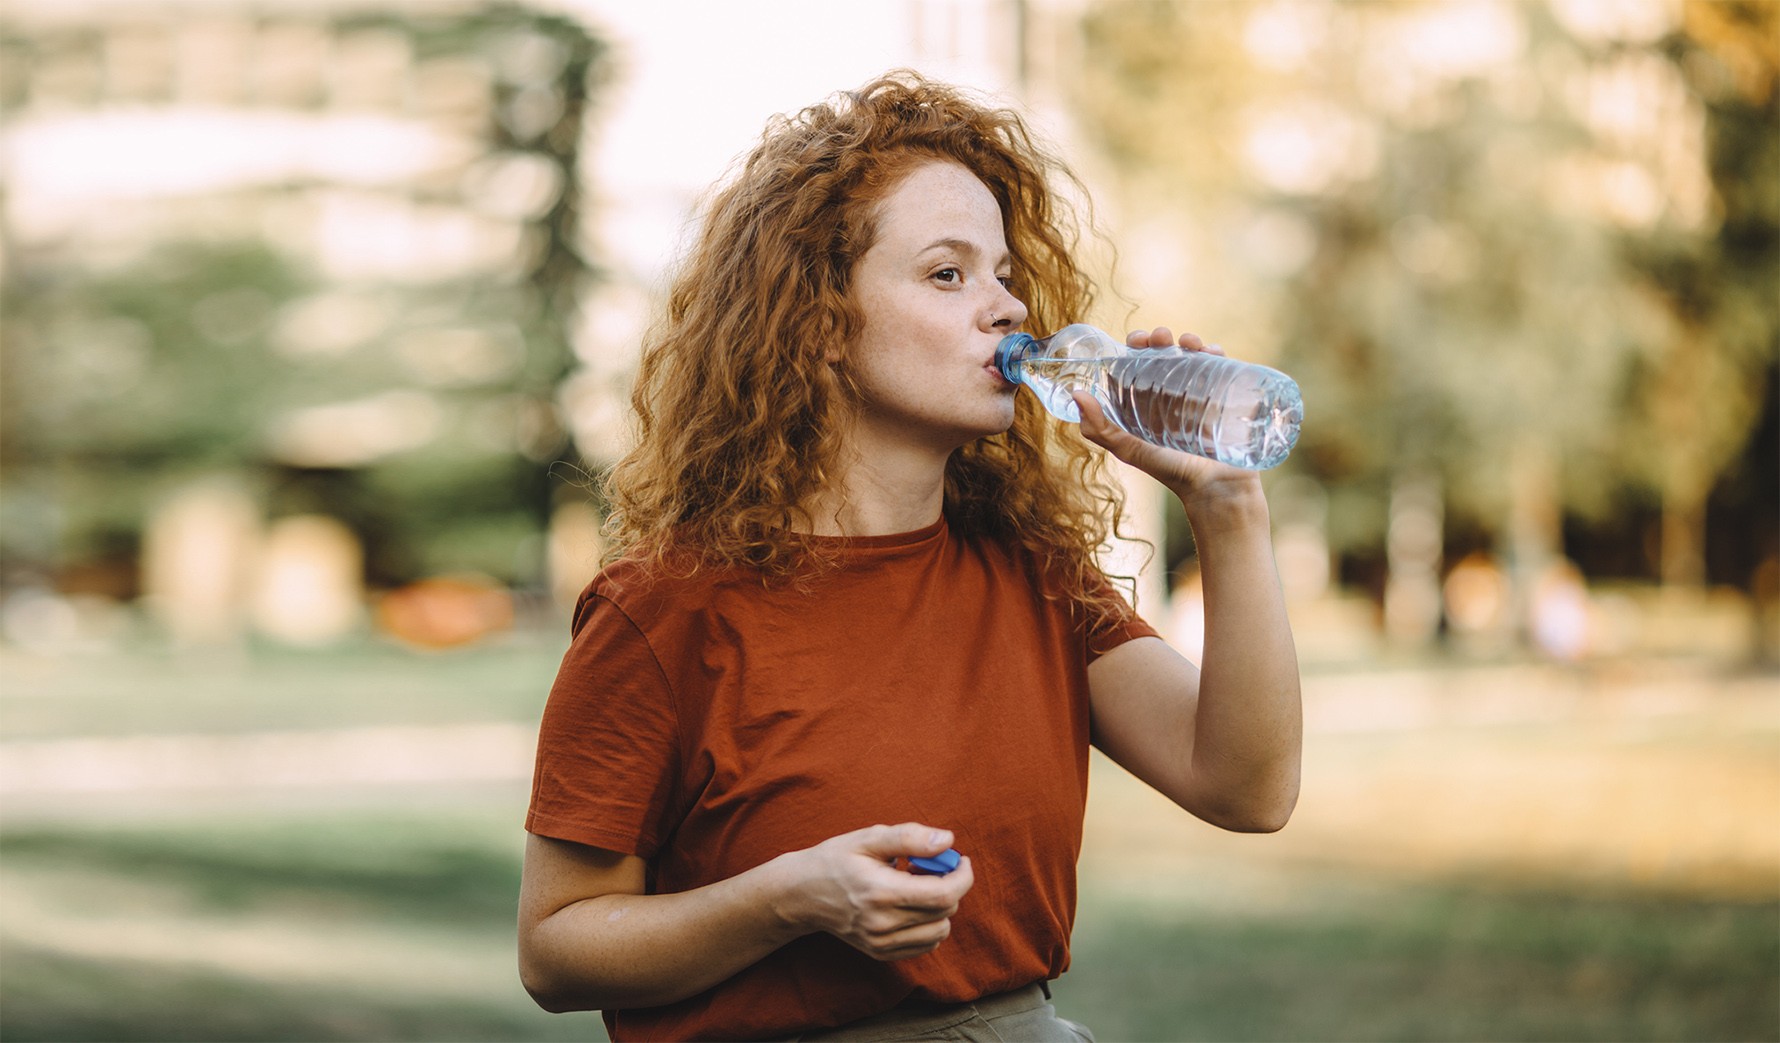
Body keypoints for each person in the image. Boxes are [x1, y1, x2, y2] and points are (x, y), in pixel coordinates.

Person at [518, 71, 1302, 1042]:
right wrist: (787, 898)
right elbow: (556, 949)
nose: (1006, 307)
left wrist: (1228, 511)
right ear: (819, 328)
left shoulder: (1033, 575)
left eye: (1005, 274)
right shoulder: (668, 608)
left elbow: (1245, 786)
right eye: (947, 273)